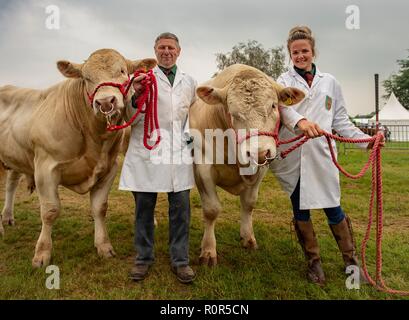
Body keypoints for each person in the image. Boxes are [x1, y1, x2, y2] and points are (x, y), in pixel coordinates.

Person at [270, 26, 384, 286]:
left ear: (313, 51)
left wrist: (365, 142)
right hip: (294, 155)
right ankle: (314, 264)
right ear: (290, 54)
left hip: (322, 154)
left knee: (334, 208)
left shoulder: (330, 81)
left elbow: (340, 119)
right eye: (295, 52)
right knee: (300, 209)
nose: (300, 56)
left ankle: (351, 263)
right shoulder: (283, 81)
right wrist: (300, 122)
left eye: (304, 51)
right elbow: (282, 110)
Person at [119, 32, 197, 284]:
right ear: (155, 50)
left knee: (181, 211)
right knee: (143, 210)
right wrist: (135, 95)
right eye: (162, 47)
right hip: (148, 152)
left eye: (171, 47)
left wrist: (190, 138)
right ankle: (143, 259)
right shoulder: (141, 80)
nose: (166, 51)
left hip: (177, 153)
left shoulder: (189, 82)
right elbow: (127, 115)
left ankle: (180, 260)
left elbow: (192, 115)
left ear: (178, 51)